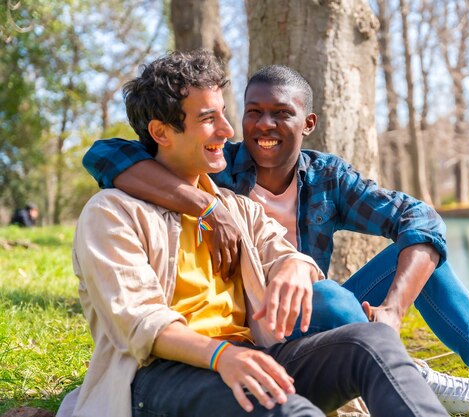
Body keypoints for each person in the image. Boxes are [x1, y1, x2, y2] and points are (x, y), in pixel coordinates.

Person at [83, 65, 469, 417]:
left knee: (413, 258)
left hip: (301, 311)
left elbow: (421, 218)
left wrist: (378, 306)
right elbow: (106, 157)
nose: (252, 126)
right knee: (332, 308)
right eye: (250, 113)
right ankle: (395, 362)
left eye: (280, 114)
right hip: (240, 337)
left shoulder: (324, 179)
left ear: (309, 123)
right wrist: (204, 204)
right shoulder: (219, 175)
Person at [60, 49, 449, 417]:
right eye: (208, 119)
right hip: (160, 376)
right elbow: (141, 324)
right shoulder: (112, 213)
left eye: (225, 114)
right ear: (161, 132)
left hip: (251, 355)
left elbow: (283, 252)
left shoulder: (235, 207)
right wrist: (223, 357)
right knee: (286, 408)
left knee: (373, 342)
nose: (228, 130)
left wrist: (295, 267)